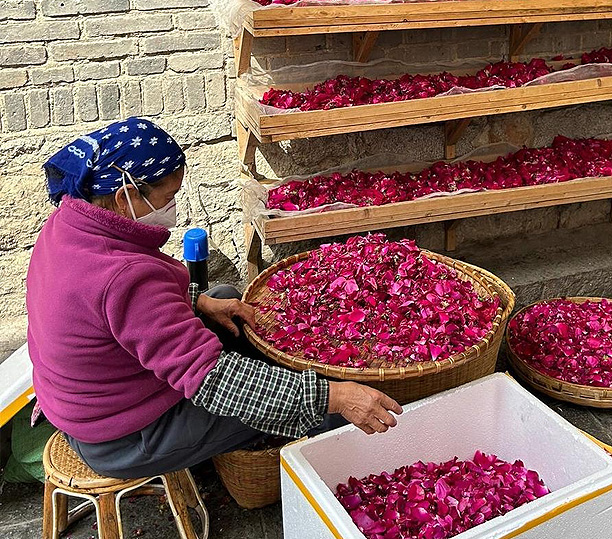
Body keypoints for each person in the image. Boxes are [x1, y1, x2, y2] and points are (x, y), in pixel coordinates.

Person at [26, 118, 402, 479]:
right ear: (125, 197)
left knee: (223, 299)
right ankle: (344, 475)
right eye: (168, 197)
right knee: (315, 409)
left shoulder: (70, 223)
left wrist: (201, 304)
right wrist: (334, 396)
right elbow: (215, 381)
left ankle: (290, 388)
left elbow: (113, 314)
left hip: (86, 399)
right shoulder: (124, 278)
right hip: (123, 436)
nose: (172, 207)